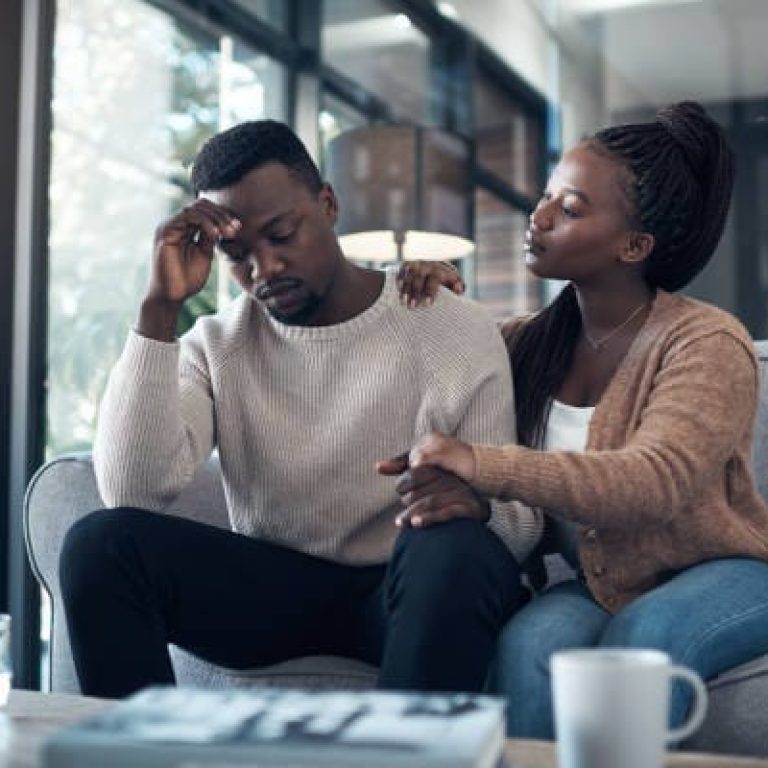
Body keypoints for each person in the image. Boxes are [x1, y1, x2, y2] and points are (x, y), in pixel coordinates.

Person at [58, 120, 541, 699]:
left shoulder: (447, 323)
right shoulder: (215, 344)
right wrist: (159, 309)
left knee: (453, 544)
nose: (266, 268)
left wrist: (475, 506)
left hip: (410, 591)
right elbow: (134, 493)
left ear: (329, 204)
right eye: (238, 254)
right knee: (99, 545)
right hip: (272, 595)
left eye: (283, 234)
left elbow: (519, 524)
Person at [393, 101, 768, 737]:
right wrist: (431, 305)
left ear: (634, 245)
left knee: (645, 640)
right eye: (545, 196)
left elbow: (650, 483)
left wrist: (483, 466)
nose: (536, 218)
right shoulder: (524, 343)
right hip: (603, 581)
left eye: (569, 209)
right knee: (531, 648)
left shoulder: (706, 342)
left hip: (730, 573)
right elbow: (419, 371)